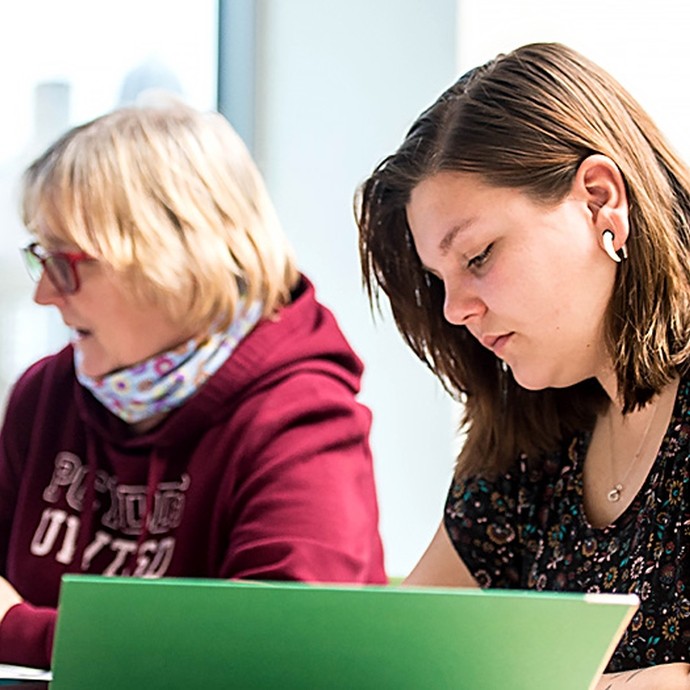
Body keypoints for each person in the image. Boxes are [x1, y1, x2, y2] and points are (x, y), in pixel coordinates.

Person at [0, 99, 386, 669]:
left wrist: (19, 630)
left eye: (68, 263)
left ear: (174, 258)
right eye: (43, 258)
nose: (46, 295)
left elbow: (275, 656)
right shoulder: (47, 394)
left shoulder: (302, 420)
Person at [356, 42, 690, 688]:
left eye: (478, 257)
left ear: (600, 200)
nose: (454, 310)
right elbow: (386, 656)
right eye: (439, 278)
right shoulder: (535, 433)